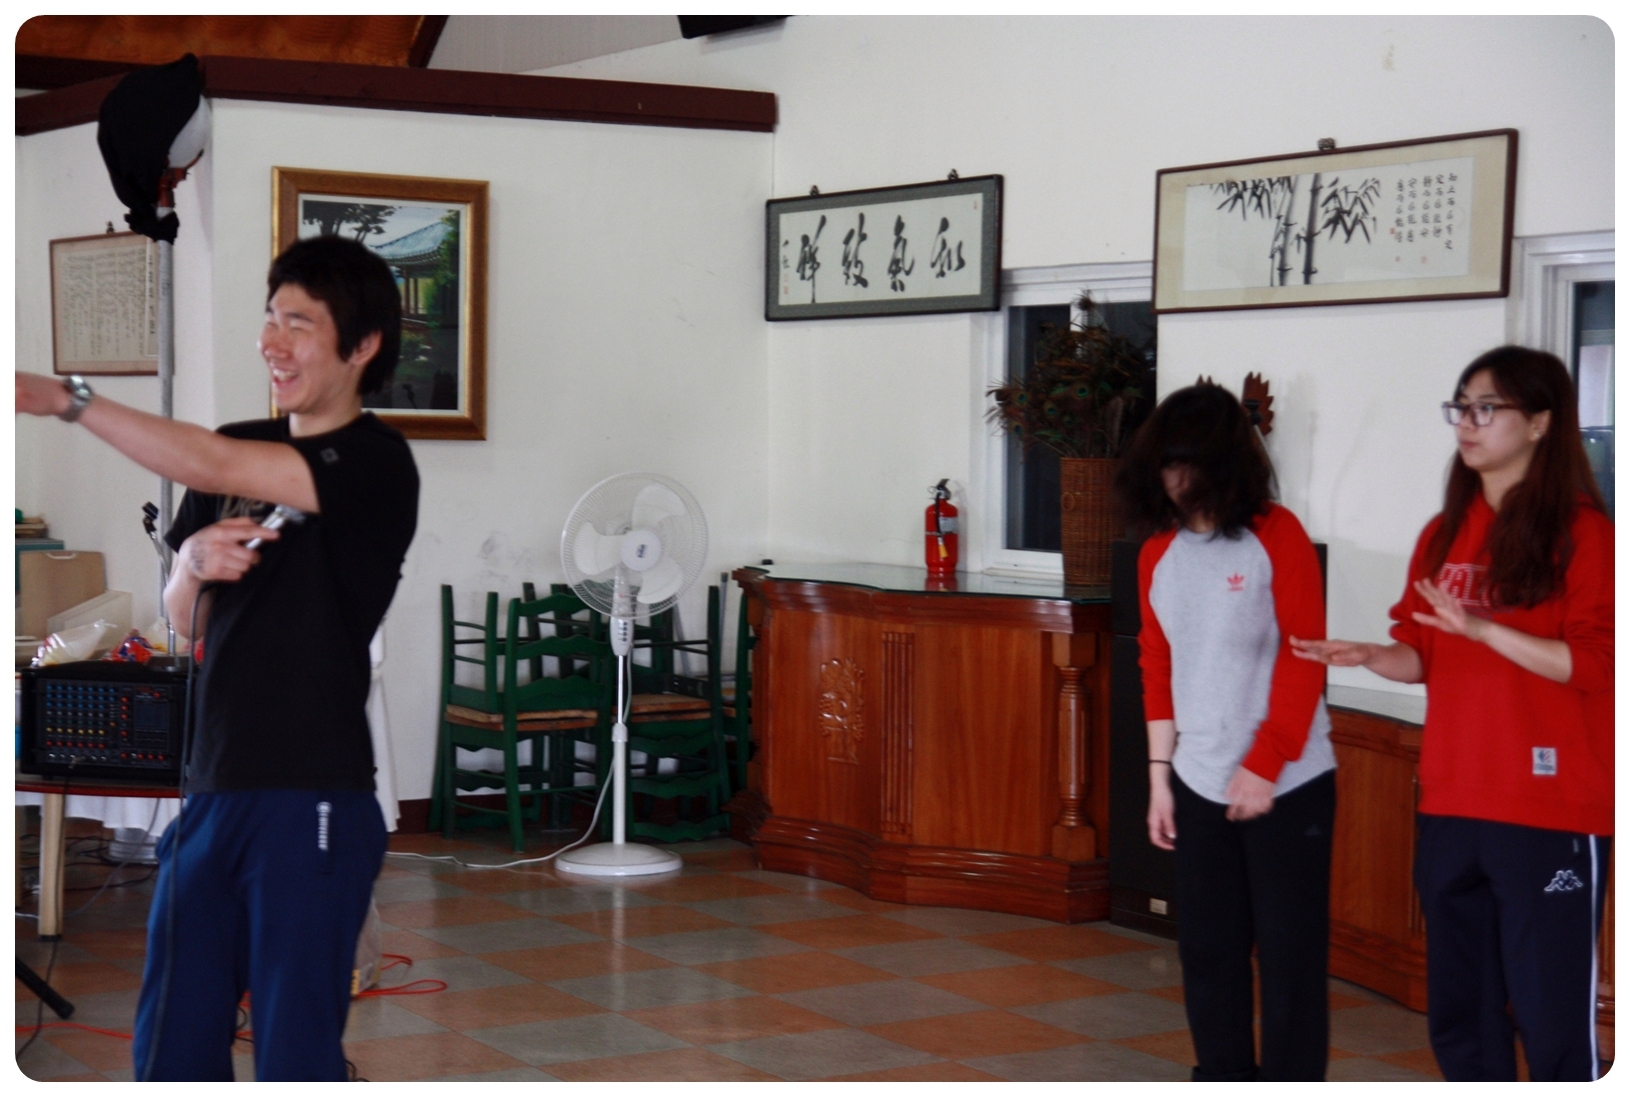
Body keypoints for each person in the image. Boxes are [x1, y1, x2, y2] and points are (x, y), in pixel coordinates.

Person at [15, 234, 420, 1081]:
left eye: (300, 324)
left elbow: (209, 457)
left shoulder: (377, 463)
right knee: (171, 1043)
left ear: (363, 345)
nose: (273, 342)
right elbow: (183, 617)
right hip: (212, 787)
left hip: (312, 793)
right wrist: (193, 562)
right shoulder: (235, 449)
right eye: (270, 318)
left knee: (295, 1051)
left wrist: (67, 399)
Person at [1292, 346, 1612, 1082]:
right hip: (1452, 798)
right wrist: (1372, 654)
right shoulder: (1443, 533)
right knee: (1461, 1011)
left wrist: (1483, 630)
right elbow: (1423, 656)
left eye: (1486, 408)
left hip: (1549, 806)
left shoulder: (1587, 534)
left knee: (1551, 1013)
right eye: (1460, 407)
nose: (1467, 423)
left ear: (1540, 422)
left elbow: (1598, 665)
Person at [1118, 382, 1335, 1082]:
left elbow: (1306, 659)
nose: (1177, 479)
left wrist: (1265, 763)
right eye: (1167, 464)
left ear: (1223, 463)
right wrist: (1160, 776)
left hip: (1290, 783)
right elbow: (1157, 662)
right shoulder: (1157, 553)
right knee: (1208, 954)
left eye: (1189, 463)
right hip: (1199, 779)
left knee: (1289, 959)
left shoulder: (1277, 534)